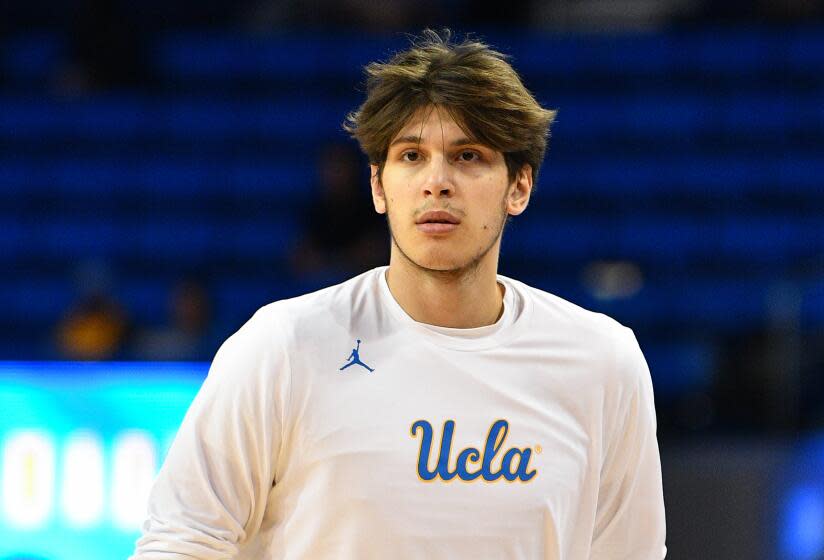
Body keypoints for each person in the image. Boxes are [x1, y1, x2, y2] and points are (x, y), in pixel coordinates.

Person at [132, 29, 667, 559]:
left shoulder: (602, 362)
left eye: (469, 156)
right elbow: (182, 541)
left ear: (519, 187)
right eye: (412, 156)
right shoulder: (283, 346)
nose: (437, 181)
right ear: (378, 186)